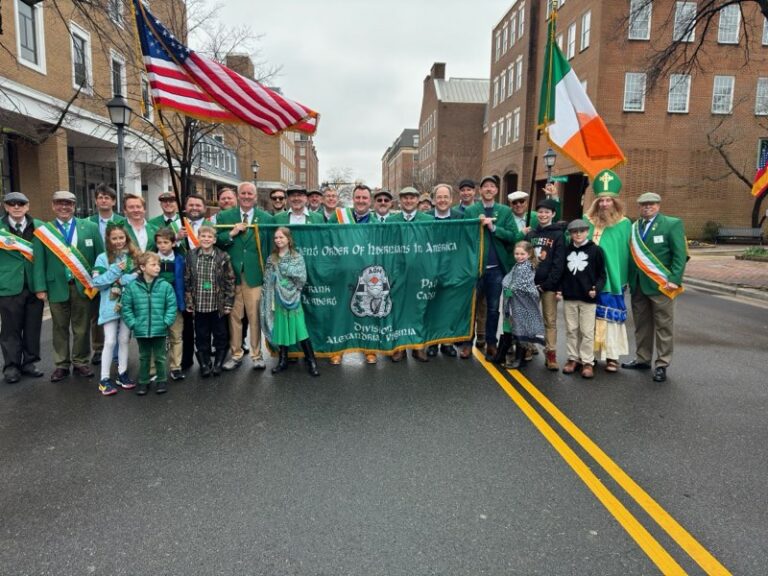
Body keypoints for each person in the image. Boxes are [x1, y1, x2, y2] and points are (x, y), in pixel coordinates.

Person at [33, 190, 104, 382]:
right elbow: (39, 262)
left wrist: (100, 280)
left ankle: (80, 361)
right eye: (59, 203)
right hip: (56, 286)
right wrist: (40, 287)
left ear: (74, 206)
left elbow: (101, 256)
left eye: (68, 203)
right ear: (53, 206)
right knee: (59, 327)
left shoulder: (89, 227)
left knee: (82, 328)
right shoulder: (44, 232)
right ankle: (61, 364)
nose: (64, 207)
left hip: (82, 286)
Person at [623, 192, 688, 383]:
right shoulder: (635, 227)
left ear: (658, 205)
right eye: (643, 205)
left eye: (651, 204)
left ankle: (662, 364)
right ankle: (643, 358)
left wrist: (675, 279)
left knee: (663, 326)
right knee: (642, 325)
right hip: (638, 285)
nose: (647, 207)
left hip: (662, 285)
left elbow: (680, 255)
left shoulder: (672, 224)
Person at [217, 181, 274, 371]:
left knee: (255, 316)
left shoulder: (265, 217)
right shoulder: (225, 216)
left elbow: (269, 247)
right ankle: (236, 354)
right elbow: (217, 241)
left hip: (255, 275)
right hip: (232, 276)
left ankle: (257, 355)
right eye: (243, 193)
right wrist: (232, 233)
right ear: (238, 196)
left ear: (256, 197)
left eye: (250, 194)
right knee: (234, 317)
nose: (247, 196)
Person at [463, 175, 521, 360]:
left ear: (496, 190)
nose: (488, 189)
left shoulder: (504, 211)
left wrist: (494, 228)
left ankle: (491, 343)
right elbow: (464, 236)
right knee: (470, 307)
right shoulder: (472, 210)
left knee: (493, 309)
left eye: (492, 186)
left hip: (496, 269)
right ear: (480, 191)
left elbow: (513, 236)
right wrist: (476, 226)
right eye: (485, 186)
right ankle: (466, 343)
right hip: (475, 268)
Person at [584, 170, 632, 373]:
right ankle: (590, 357)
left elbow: (628, 253)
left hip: (612, 279)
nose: (604, 204)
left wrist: (625, 277)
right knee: (588, 320)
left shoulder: (624, 224)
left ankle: (612, 357)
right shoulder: (587, 222)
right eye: (601, 200)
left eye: (608, 200)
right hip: (589, 279)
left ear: (615, 202)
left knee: (611, 320)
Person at [327, 184, 377, 364]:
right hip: (342, 273)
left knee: (367, 311)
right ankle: (337, 349)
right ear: (353, 199)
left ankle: (369, 349)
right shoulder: (339, 217)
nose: (361, 201)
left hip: (367, 274)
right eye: (358, 198)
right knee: (340, 311)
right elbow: (327, 241)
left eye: (365, 198)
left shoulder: (376, 223)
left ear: (369, 201)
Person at [261, 227, 319, 377]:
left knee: (301, 329)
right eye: (276, 238)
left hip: (292, 297)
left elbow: (301, 277)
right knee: (281, 328)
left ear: (288, 239)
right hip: (277, 298)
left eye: (281, 237)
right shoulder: (272, 258)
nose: (278, 240)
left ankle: (311, 360)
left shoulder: (296, 257)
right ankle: (283, 360)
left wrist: (286, 280)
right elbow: (267, 278)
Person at [91, 223, 140, 395]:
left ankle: (122, 373)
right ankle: (104, 378)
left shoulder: (133, 257)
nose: (118, 241)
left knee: (124, 338)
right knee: (110, 340)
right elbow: (97, 283)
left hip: (127, 304)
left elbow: (137, 277)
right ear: (109, 240)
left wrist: (123, 278)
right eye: (114, 238)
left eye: (121, 237)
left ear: (126, 238)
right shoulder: (102, 258)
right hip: (110, 305)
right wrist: (114, 272)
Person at [0, 192, 44, 384]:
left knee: (33, 326)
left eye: (21, 204)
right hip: (8, 285)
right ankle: (11, 366)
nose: (16, 207)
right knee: (10, 329)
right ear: (6, 207)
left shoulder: (40, 227)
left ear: (28, 206)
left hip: (34, 285)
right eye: (12, 204)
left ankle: (29, 362)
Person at [121, 252, 177, 395]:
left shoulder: (165, 286)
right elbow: (126, 307)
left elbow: (171, 305)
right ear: (142, 267)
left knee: (160, 356)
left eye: (158, 264)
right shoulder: (132, 287)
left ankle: (162, 380)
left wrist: (166, 322)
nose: (157, 267)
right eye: (153, 265)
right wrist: (133, 324)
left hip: (160, 328)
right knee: (144, 356)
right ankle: (143, 381)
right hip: (141, 329)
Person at [558, 219, 607, 379]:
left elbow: (602, 275)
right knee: (571, 330)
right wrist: (560, 290)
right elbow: (562, 273)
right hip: (570, 295)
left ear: (587, 232)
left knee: (586, 331)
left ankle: (587, 361)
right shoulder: (566, 250)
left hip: (588, 297)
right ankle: (573, 358)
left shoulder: (596, 250)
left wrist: (596, 289)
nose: (578, 234)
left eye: (581, 231)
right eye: (574, 232)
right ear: (570, 234)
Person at [185, 226, 235, 377]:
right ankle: (204, 363)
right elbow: (187, 280)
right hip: (199, 305)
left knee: (220, 334)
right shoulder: (191, 255)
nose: (206, 239)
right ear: (198, 238)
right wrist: (189, 301)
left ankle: (218, 362)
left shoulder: (222, 256)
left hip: (217, 305)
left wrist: (228, 302)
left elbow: (230, 280)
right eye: (203, 236)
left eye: (209, 237)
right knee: (201, 335)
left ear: (214, 239)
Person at [525, 198, 566, 370]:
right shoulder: (531, 234)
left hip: (548, 286)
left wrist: (548, 284)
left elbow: (559, 263)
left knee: (549, 320)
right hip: (530, 284)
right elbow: (523, 259)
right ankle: (527, 347)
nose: (543, 215)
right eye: (540, 212)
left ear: (553, 214)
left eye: (547, 212)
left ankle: (551, 354)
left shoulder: (558, 235)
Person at [88, 183, 126, 365]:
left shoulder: (122, 221)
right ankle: (98, 348)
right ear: (96, 201)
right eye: (100, 197)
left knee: (118, 310)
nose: (104, 200)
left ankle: (118, 351)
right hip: (98, 272)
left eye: (107, 197)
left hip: (119, 271)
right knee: (97, 313)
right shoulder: (88, 223)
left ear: (113, 201)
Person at [493, 241, 545, 369]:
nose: (519, 256)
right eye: (517, 253)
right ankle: (501, 355)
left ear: (529, 254)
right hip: (512, 303)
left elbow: (521, 285)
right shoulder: (517, 265)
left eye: (522, 254)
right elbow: (509, 281)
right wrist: (508, 286)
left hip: (522, 304)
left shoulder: (527, 267)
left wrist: (508, 287)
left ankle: (520, 360)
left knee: (521, 330)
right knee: (509, 328)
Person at [426, 183, 462, 358]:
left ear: (451, 199)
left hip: (452, 270)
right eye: (439, 197)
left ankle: (447, 342)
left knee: (449, 307)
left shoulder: (460, 217)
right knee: (432, 307)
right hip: (431, 270)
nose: (442, 200)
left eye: (445, 197)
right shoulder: (424, 218)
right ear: (433, 200)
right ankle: (432, 342)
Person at [154, 227, 187, 381]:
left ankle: (176, 367)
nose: (162, 246)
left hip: (175, 304)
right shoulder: (152, 260)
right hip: (156, 306)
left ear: (174, 243)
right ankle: (154, 369)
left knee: (176, 336)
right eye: (159, 243)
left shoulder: (181, 259)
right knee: (156, 337)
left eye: (166, 242)